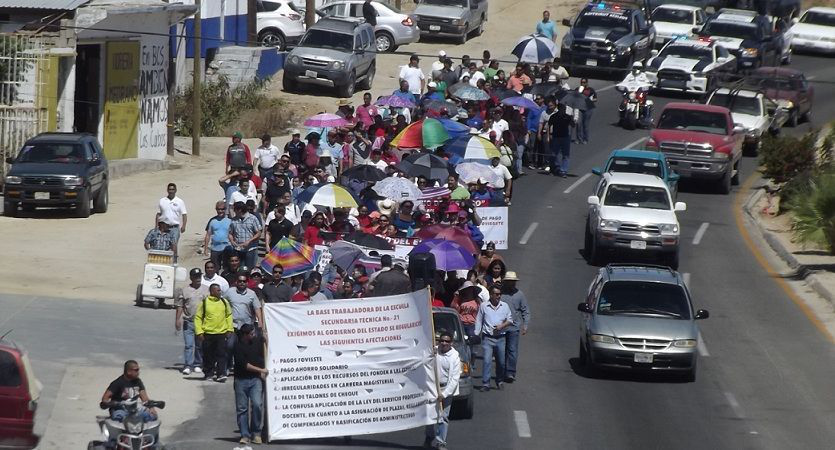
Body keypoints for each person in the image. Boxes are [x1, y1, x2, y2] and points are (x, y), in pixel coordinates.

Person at [424, 330, 460, 450]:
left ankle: (441, 442)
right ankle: (429, 437)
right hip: (432, 388)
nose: (444, 343)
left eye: (447, 341)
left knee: (443, 417)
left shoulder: (455, 357)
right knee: (430, 415)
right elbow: (424, 360)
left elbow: (454, 379)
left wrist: (444, 394)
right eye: (442, 341)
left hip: (446, 389)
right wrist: (430, 354)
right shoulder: (434, 351)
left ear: (451, 343)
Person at [231, 323, 266, 445]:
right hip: (241, 380)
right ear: (245, 335)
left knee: (257, 404)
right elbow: (245, 365)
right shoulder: (237, 346)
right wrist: (261, 370)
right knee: (242, 409)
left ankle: (256, 433)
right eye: (251, 334)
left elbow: (266, 342)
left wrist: (266, 338)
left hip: (255, 380)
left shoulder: (257, 341)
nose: (254, 335)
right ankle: (244, 435)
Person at [474, 284, 513, 391]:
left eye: (500, 294)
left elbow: (510, 320)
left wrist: (502, 326)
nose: (498, 296)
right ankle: (486, 383)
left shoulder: (504, 306)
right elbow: (479, 320)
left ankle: (499, 380)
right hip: (487, 338)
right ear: (491, 295)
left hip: (501, 338)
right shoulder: (484, 306)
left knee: (501, 362)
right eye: (496, 294)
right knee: (487, 361)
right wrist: (476, 334)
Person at [195, 284, 234, 382]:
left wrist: (230, 329)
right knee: (208, 355)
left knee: (222, 354)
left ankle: (221, 374)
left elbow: (229, 315)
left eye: (220, 290)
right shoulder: (204, 303)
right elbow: (198, 317)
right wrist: (199, 332)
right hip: (207, 333)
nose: (220, 292)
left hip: (221, 333)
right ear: (212, 292)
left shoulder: (224, 302)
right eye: (218, 290)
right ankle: (208, 373)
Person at [175, 268, 209, 376]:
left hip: (202, 322)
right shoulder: (185, 290)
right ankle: (188, 365)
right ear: (191, 278)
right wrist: (177, 320)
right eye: (196, 276)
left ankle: (198, 364)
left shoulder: (206, 289)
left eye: (199, 276)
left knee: (199, 344)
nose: (198, 278)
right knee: (189, 345)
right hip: (188, 321)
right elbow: (180, 305)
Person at [501, 271, 530, 383]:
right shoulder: (500, 294)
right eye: (509, 282)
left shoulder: (519, 295)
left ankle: (510, 372)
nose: (512, 284)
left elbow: (525, 310)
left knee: (512, 350)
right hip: (501, 327)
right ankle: (501, 371)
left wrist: (525, 325)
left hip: (514, 327)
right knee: (501, 350)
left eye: (513, 282)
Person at [228, 202, 263, 270]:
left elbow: (259, 232)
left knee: (249, 269)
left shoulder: (253, 218)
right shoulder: (233, 220)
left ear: (239, 210)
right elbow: (230, 233)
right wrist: (232, 241)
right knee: (239, 269)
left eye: (235, 210)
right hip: (238, 249)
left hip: (250, 249)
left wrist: (249, 241)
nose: (234, 212)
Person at [155, 183, 187, 251]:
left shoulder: (179, 201)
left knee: (174, 245)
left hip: (174, 228)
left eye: (172, 189)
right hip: (163, 228)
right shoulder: (162, 200)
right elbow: (158, 214)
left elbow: (184, 214)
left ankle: (174, 261)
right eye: (169, 189)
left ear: (175, 190)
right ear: (167, 190)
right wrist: (156, 227)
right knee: (163, 245)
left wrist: (184, 226)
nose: (171, 191)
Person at [548, 102, 574, 178]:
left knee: (565, 155)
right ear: (559, 109)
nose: (564, 110)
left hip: (565, 137)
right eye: (563, 109)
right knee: (554, 154)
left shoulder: (567, 117)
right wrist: (549, 136)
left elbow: (573, 125)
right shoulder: (554, 116)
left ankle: (563, 170)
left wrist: (572, 120)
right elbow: (549, 125)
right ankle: (556, 167)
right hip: (556, 137)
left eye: (565, 109)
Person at [576, 78, 597, 145]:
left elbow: (595, 98)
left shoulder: (591, 90)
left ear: (587, 83)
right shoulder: (578, 89)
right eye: (582, 82)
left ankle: (585, 139)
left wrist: (590, 100)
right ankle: (579, 139)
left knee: (585, 125)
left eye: (584, 82)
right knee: (578, 124)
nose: (583, 83)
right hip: (580, 108)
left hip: (588, 109)